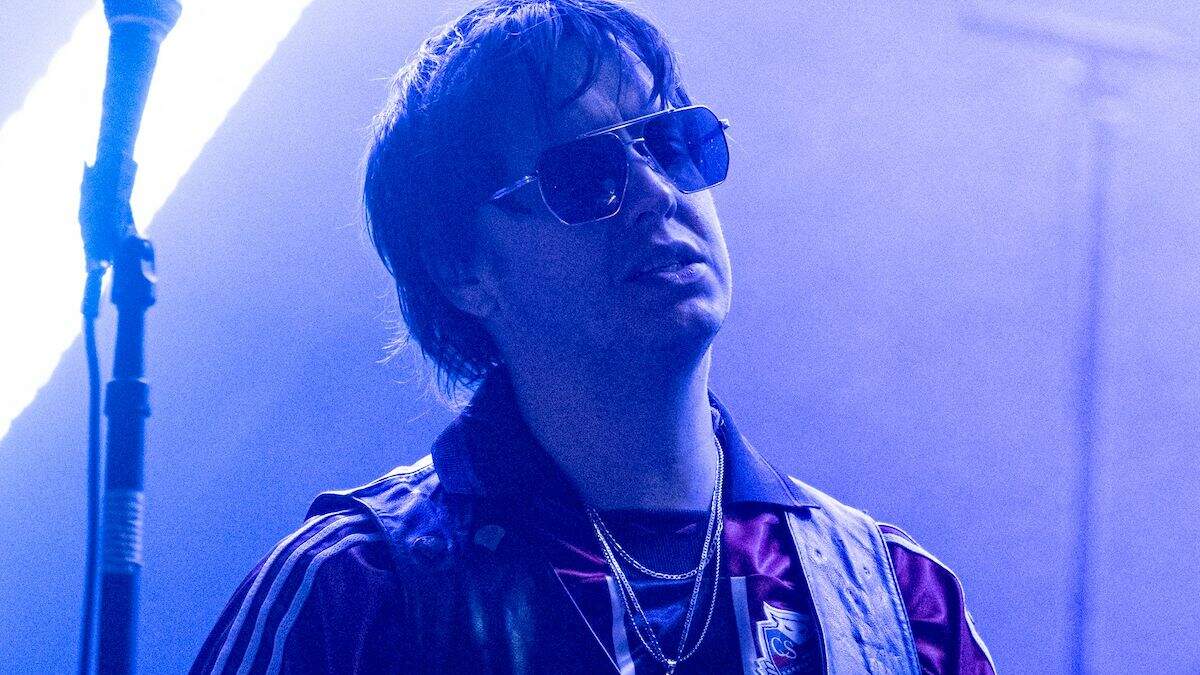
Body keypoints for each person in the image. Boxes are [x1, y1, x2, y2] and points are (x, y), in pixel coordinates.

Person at [192, 1, 996, 673]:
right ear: (463, 266)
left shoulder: (899, 600)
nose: (657, 192)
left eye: (672, 144)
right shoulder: (354, 591)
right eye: (585, 174)